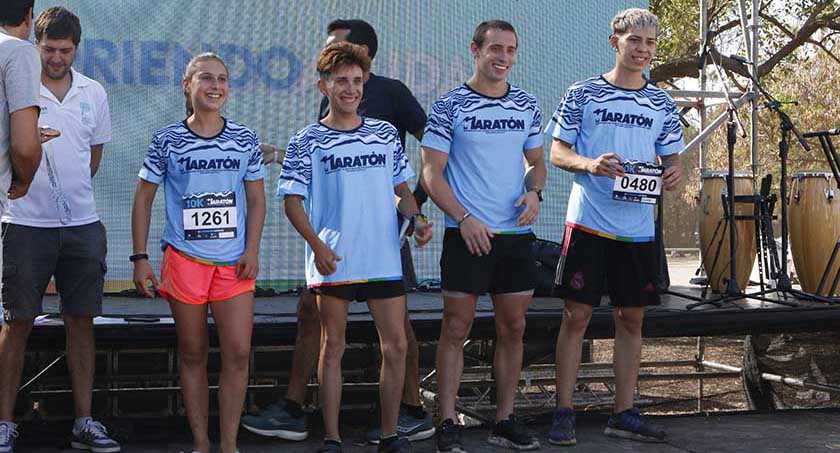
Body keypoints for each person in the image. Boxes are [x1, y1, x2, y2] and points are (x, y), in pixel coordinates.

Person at [242, 19, 434, 445]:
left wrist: (418, 220)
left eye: (357, 81)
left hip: (382, 256)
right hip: (334, 259)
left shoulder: (384, 134)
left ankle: (391, 434)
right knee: (333, 348)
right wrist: (317, 246)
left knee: (397, 346)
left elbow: (402, 191)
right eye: (341, 81)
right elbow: (292, 202)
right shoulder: (306, 140)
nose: (350, 89)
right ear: (323, 85)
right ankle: (331, 438)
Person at [547, 8, 684, 446]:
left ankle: (623, 412)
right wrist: (590, 163)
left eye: (650, 43)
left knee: (631, 318)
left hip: (637, 227)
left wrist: (674, 171)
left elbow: (672, 157)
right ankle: (564, 410)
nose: (643, 49)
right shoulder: (583, 92)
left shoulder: (661, 102)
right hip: (588, 221)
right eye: (634, 41)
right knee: (577, 315)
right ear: (615, 42)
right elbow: (556, 151)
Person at [131, 52, 266, 453]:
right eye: (206, 78)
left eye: (222, 79)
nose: (215, 86)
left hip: (234, 264)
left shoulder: (244, 139)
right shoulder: (167, 140)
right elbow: (143, 199)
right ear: (186, 85)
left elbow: (256, 200)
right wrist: (140, 258)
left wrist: (252, 249)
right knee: (193, 352)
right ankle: (201, 444)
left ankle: (229, 445)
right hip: (185, 260)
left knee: (238, 353)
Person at [421, 20, 546, 453]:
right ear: (476, 50)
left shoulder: (527, 104)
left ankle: (505, 420)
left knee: (514, 328)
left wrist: (535, 192)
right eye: (495, 48)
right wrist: (464, 217)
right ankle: (447, 421)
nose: (503, 57)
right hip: (467, 234)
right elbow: (431, 174)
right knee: (456, 328)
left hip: (515, 237)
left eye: (510, 50)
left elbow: (537, 164)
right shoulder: (449, 106)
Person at [0, 6, 117, 453]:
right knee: (17, 323)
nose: (55, 58)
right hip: (24, 224)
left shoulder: (94, 92)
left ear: (77, 49)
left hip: (82, 225)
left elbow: (92, 159)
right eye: (48, 49)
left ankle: (85, 421)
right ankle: (5, 423)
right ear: (35, 44)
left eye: (65, 50)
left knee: (81, 321)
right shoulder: (18, 86)